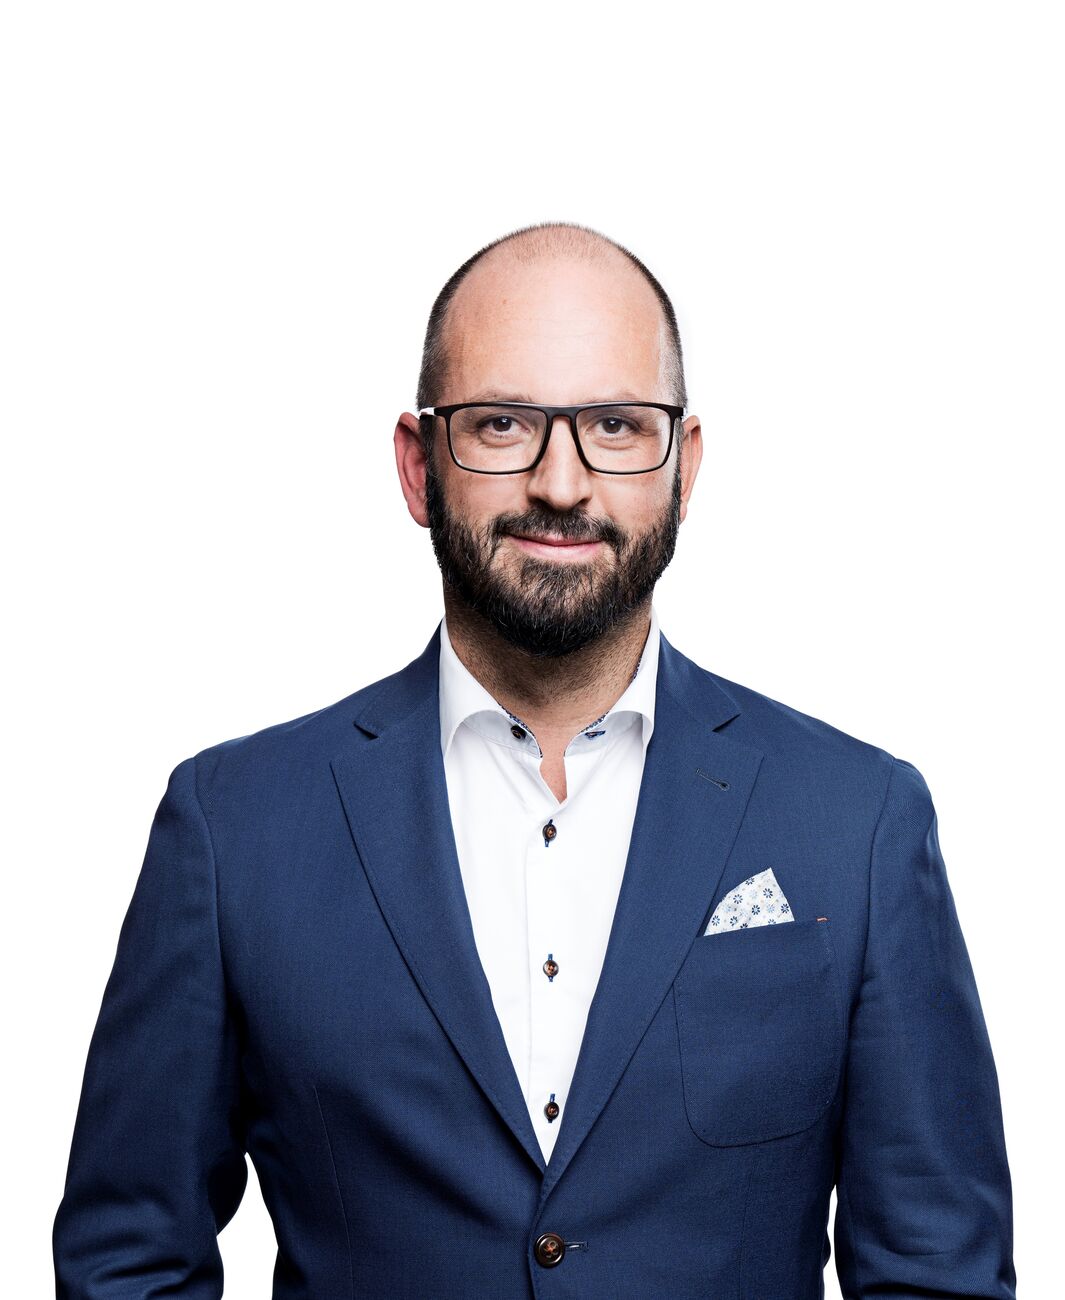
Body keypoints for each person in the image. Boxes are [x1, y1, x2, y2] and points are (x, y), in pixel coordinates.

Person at [53, 221, 1016, 1297]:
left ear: (683, 466)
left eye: (615, 424)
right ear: (418, 467)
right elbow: (126, 1259)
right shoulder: (234, 827)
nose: (562, 482)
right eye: (503, 424)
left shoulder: (858, 821)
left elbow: (939, 1271)